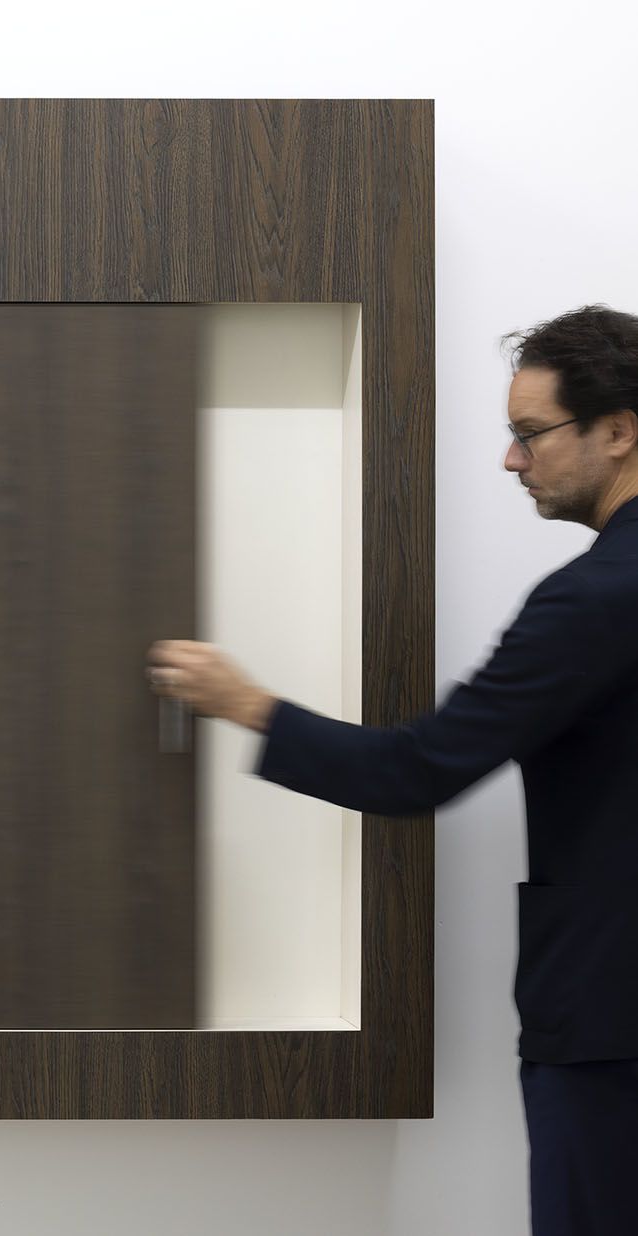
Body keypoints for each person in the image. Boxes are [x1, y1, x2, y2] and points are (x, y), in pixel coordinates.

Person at [148, 303, 638, 1236]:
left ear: (618, 431)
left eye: (531, 433)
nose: (512, 460)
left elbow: (416, 771)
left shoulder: (598, 599)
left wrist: (244, 702)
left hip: (614, 1031)